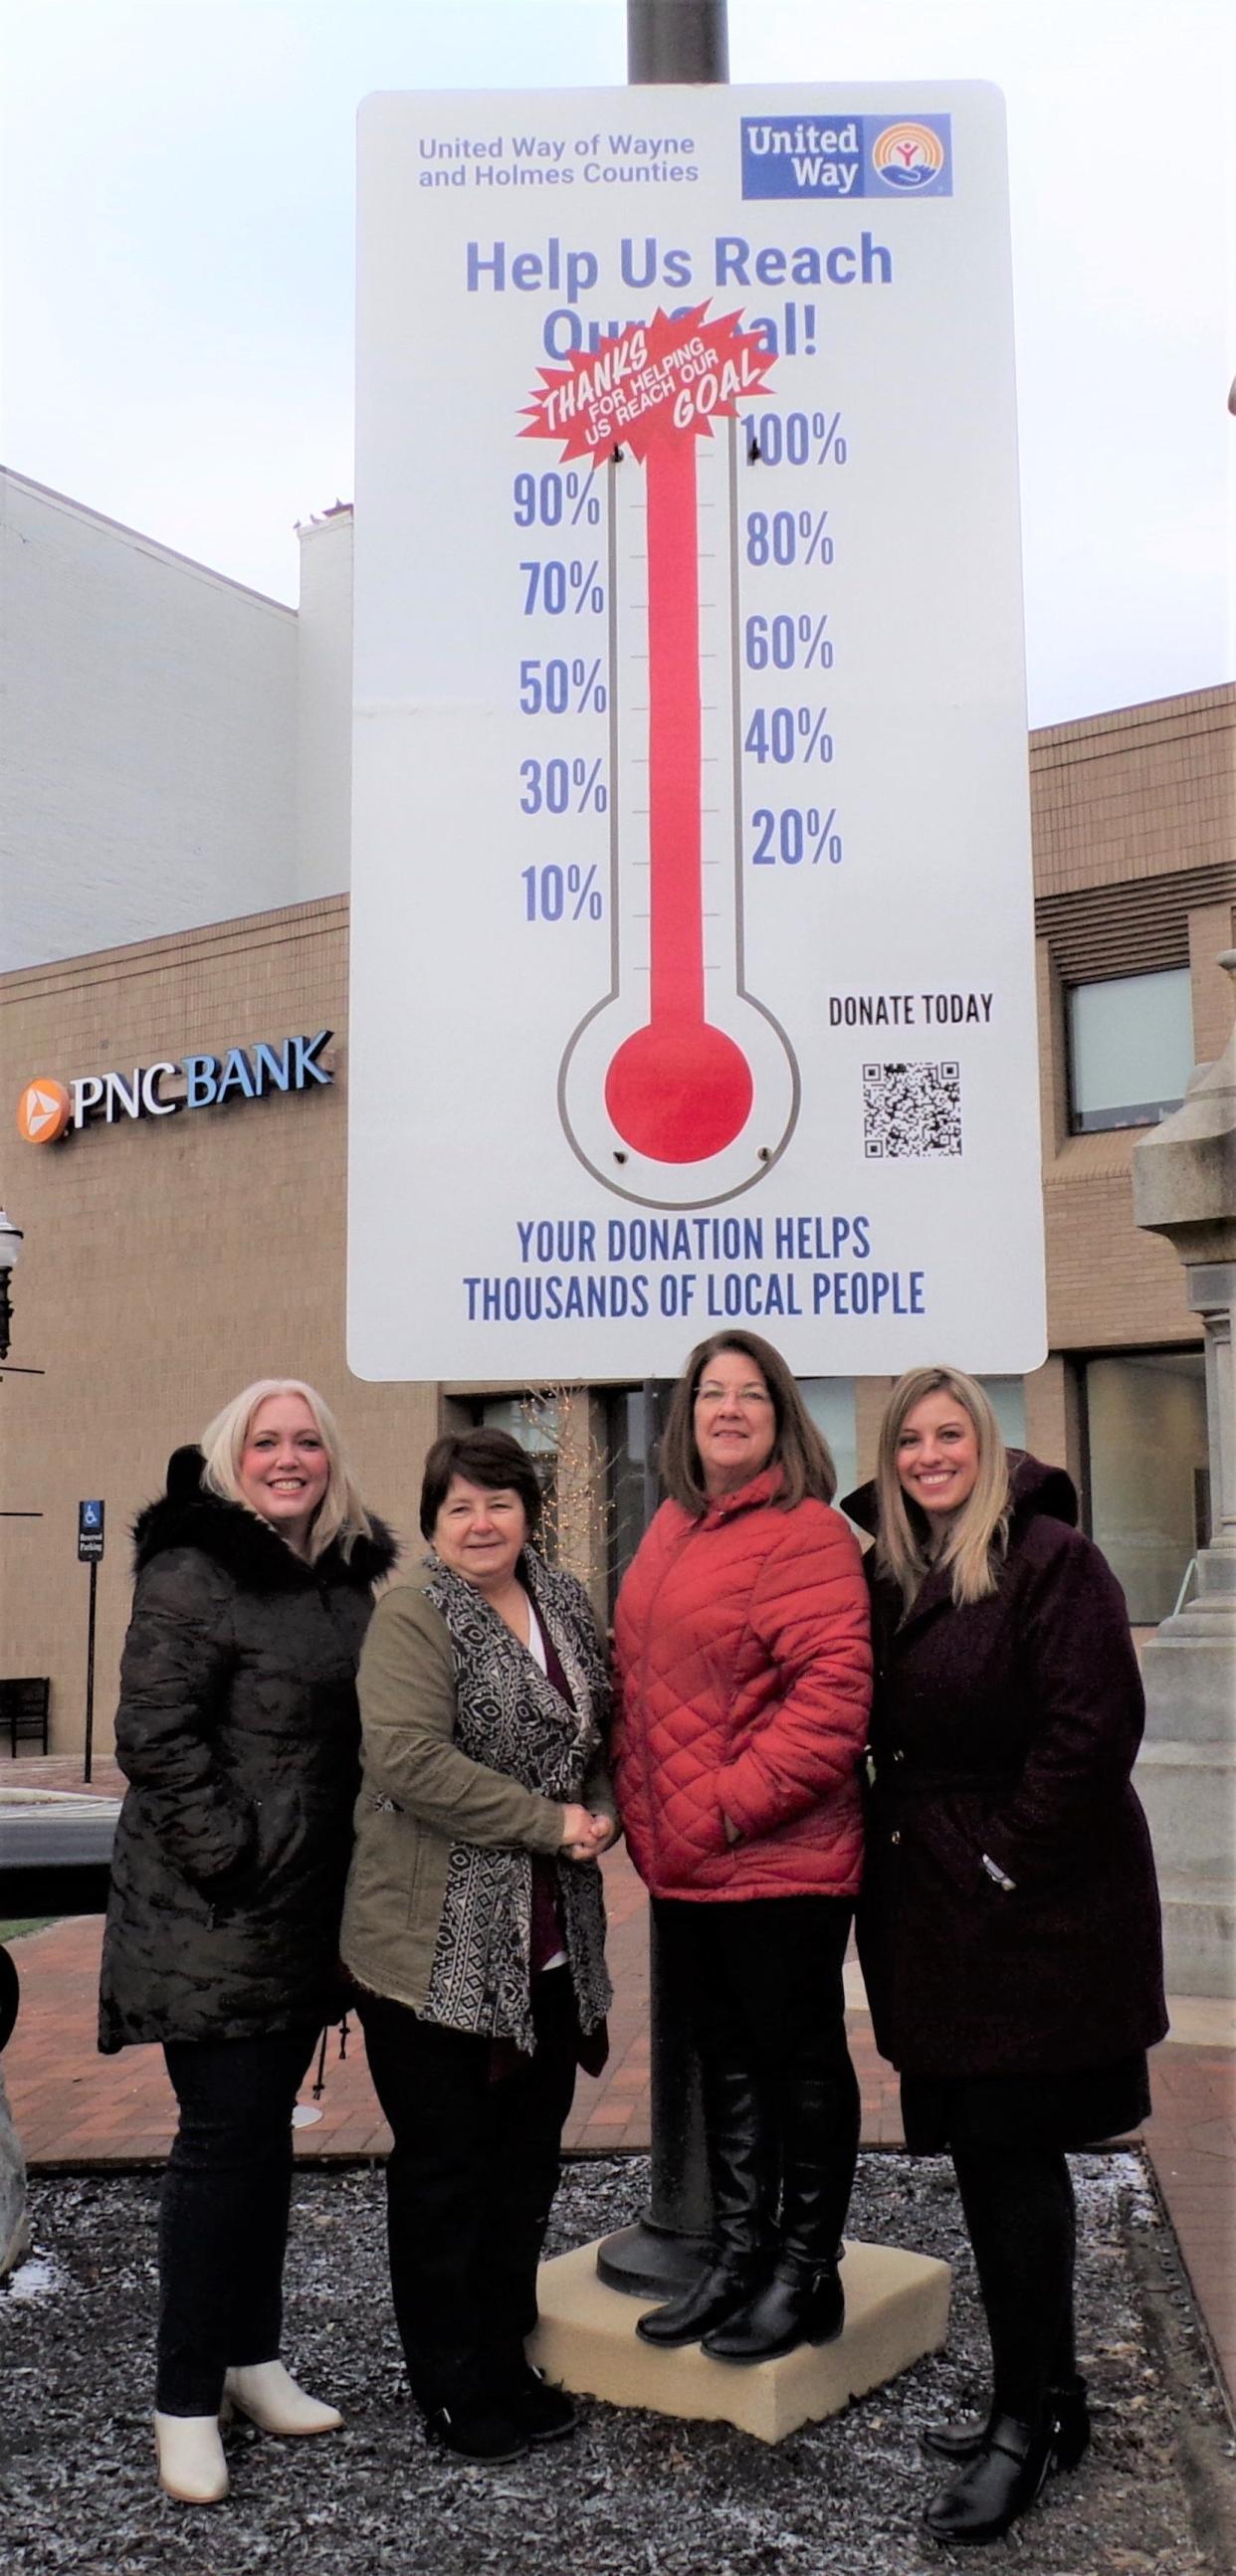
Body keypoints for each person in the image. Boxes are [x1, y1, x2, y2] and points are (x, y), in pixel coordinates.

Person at [846, 1367, 1166, 2547]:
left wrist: (999, 1864)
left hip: (1034, 1914)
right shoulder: (895, 1568)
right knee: (987, 2158)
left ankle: (1023, 2423)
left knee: (1012, 2158)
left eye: (950, 1434)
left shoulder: (1049, 1562)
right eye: (910, 1440)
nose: (931, 1455)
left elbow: (1093, 1734)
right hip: (939, 1906)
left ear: (986, 1444)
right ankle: (1054, 2398)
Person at [99, 1381, 395, 2507]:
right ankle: (183, 2398)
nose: (289, 1457)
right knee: (220, 2148)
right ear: (232, 1458)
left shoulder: (342, 1583)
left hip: (305, 1916)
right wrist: (236, 1859)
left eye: (306, 1440)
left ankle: (250, 2359)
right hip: (214, 1916)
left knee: (263, 2143)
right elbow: (156, 1737)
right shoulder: (194, 1571)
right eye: (266, 1441)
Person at [340, 1427, 614, 2467]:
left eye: (498, 1501)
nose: (482, 1521)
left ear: (529, 1512)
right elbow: (408, 1759)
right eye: (459, 1506)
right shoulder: (413, 1617)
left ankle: (503, 2351)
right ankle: (449, 2379)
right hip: (431, 1946)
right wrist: (550, 1825)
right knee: (446, 2169)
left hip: (550, 1947)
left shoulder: (567, 1604)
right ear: (433, 1523)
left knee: (525, 2165)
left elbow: (601, 1732)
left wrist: (599, 1808)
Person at [612, 1330, 872, 2362]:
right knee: (726, 2064)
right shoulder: (673, 1528)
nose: (727, 1410)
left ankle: (806, 2270)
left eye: (749, 1395)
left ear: (779, 1417)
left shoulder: (803, 1535)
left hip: (778, 1863)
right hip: (692, 1865)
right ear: (688, 1418)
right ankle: (738, 2255)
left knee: (797, 2064)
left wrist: (720, 1808)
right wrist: (651, 1820)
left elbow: (833, 1702)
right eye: (710, 1394)